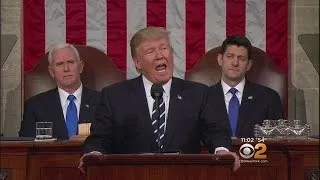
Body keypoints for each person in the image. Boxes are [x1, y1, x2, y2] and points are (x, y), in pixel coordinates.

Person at [79, 27, 240, 172]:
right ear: (137, 62)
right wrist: (93, 154)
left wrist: (221, 150)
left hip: (185, 175)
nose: (159, 55)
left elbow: (215, 130)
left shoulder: (198, 93)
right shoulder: (114, 96)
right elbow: (100, 138)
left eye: (164, 48)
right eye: (150, 51)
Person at [19, 43, 100, 140]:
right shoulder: (35, 106)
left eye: (70, 62)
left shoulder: (102, 102)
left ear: (81, 67)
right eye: (59, 64)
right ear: (51, 72)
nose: (66, 69)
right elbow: (26, 146)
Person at [208, 35, 284, 138]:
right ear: (220, 59)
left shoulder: (269, 98)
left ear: (248, 65)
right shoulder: (204, 97)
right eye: (230, 56)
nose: (235, 63)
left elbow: (278, 141)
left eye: (241, 58)